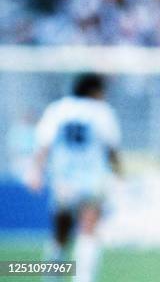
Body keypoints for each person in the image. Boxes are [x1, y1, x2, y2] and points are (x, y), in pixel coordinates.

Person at [28, 73, 121, 282]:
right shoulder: (101, 112)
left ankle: (51, 276)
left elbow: (43, 145)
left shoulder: (57, 109)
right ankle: (83, 278)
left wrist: (35, 171)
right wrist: (119, 174)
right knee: (88, 229)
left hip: (63, 180)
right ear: (95, 91)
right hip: (91, 180)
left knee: (60, 233)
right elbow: (112, 148)